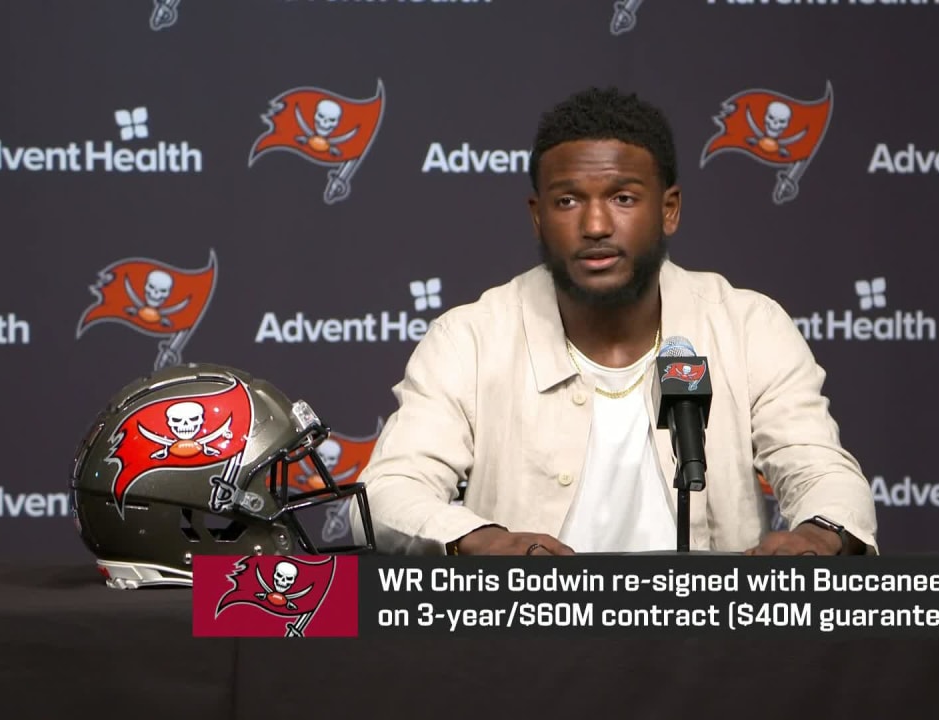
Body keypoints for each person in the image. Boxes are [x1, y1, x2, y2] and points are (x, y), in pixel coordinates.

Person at [351, 87, 877, 556]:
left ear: (669, 210)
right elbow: (385, 495)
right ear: (538, 216)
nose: (596, 225)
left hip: (709, 651)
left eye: (623, 198)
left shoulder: (747, 326)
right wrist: (482, 540)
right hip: (527, 646)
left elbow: (821, 468)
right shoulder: (469, 339)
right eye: (568, 201)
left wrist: (819, 534)